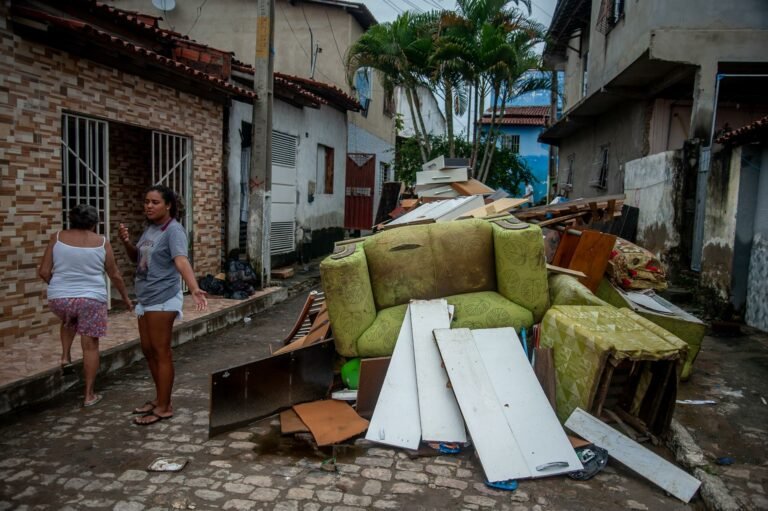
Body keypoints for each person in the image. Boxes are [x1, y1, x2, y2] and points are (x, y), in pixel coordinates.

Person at [118, 185, 207, 426]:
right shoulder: (150, 228)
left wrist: (194, 287)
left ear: (168, 205)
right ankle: (159, 399)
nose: (148, 206)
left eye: (155, 202)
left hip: (163, 298)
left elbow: (180, 260)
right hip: (145, 297)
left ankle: (165, 407)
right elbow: (138, 259)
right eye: (146, 201)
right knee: (148, 351)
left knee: (161, 352)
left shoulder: (173, 230)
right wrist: (127, 243)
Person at [38, 204, 133, 407]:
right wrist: (125, 298)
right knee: (90, 346)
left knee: (69, 318)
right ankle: (89, 395)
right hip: (91, 299)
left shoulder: (56, 237)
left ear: (71, 220)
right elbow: (114, 274)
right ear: (93, 223)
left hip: (59, 299)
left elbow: (44, 271)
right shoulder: (102, 242)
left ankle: (65, 356)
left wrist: (59, 287)